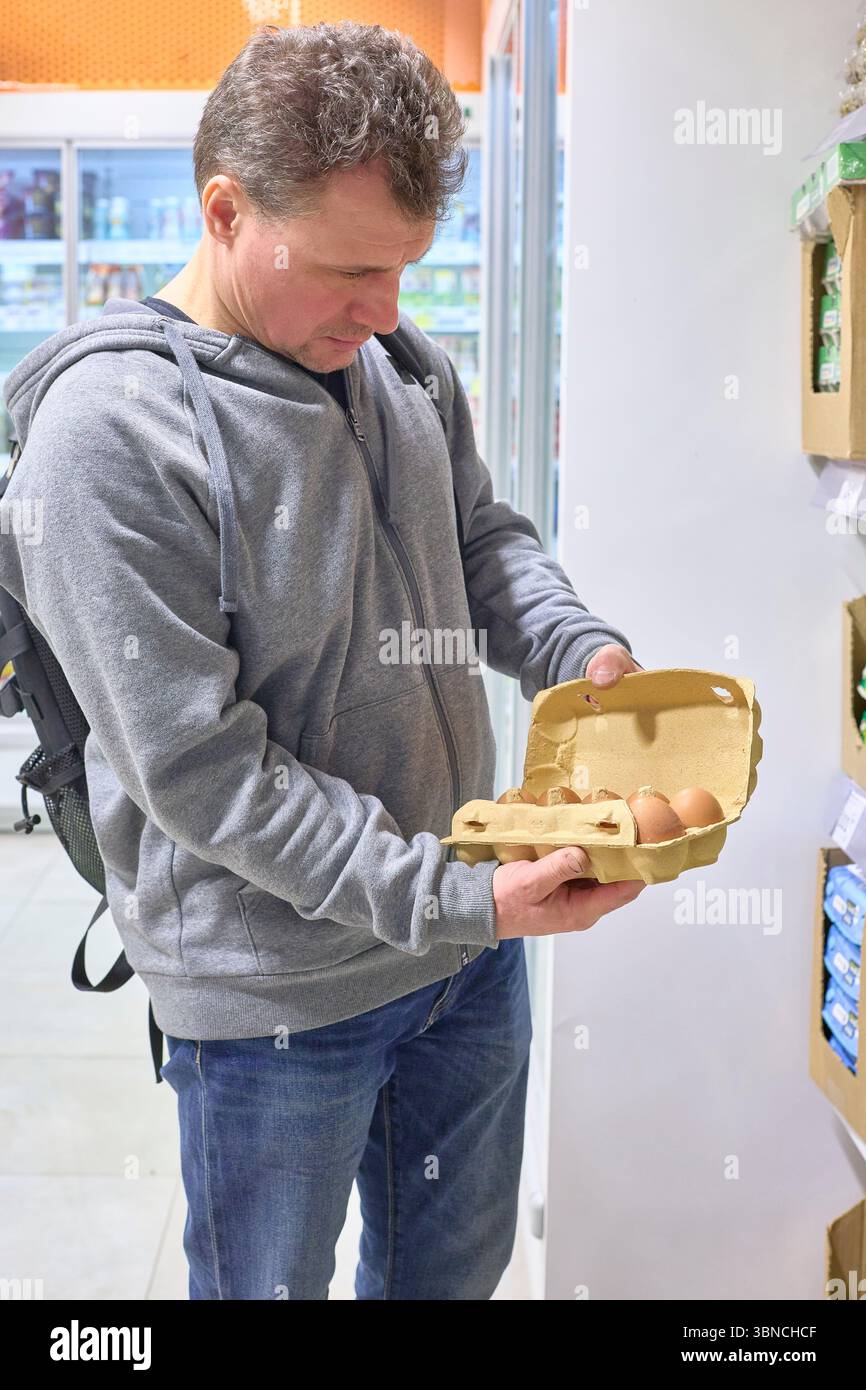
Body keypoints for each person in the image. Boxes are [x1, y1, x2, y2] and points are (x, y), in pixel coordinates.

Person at [0, 21, 645, 1300]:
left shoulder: (399, 363)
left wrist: (573, 646)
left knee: (449, 1282)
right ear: (226, 212)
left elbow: (477, 538)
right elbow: (203, 772)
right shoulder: (107, 438)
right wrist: (456, 895)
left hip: (462, 959)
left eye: (405, 266)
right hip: (275, 999)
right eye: (350, 269)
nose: (386, 309)